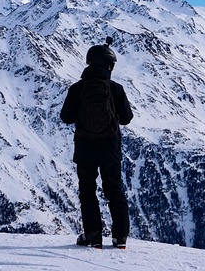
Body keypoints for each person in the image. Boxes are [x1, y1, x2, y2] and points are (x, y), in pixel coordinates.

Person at [60, 37, 134, 249]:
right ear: (108, 66)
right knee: (114, 190)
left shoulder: (77, 89)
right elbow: (127, 118)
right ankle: (120, 237)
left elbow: (66, 117)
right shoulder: (116, 89)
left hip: (84, 148)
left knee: (87, 191)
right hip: (110, 148)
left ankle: (93, 236)